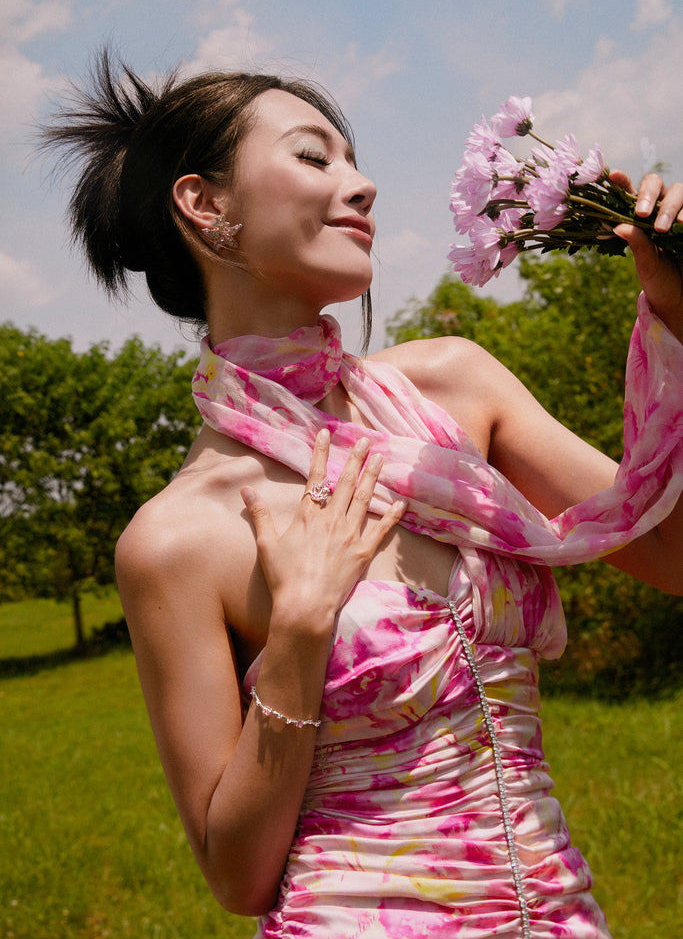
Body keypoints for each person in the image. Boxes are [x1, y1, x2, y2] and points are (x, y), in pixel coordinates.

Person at [44, 49, 683, 939]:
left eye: (353, 157)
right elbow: (236, 876)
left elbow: (667, 549)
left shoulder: (454, 387)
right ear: (206, 205)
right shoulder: (177, 539)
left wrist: (677, 314)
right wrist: (302, 629)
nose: (363, 184)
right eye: (314, 157)